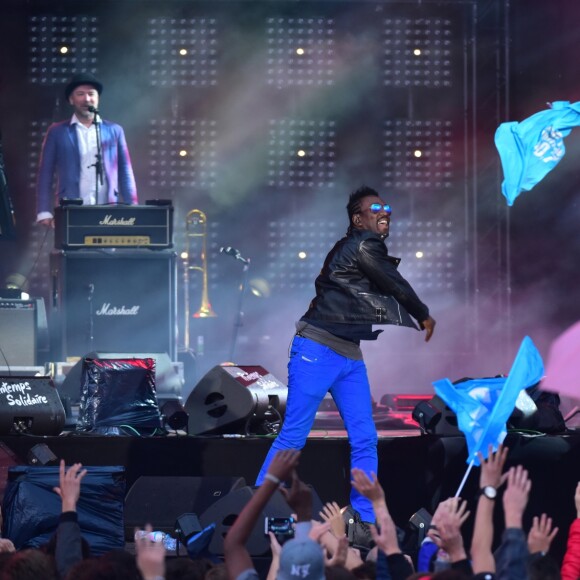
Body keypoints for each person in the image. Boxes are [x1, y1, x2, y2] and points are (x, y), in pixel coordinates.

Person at [256, 185, 436, 528]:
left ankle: (365, 519)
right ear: (358, 219)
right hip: (317, 349)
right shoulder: (363, 245)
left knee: (365, 437)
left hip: (349, 356)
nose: (385, 212)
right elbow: (393, 283)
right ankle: (256, 503)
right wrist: (422, 312)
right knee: (294, 434)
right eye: (376, 208)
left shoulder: (362, 247)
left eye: (387, 207)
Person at [36, 72, 138, 227]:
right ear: (71, 99)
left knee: (107, 249)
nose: (87, 99)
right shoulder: (57, 131)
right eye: (80, 94)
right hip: (70, 208)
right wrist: (44, 211)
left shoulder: (114, 130)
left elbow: (125, 171)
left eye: (91, 94)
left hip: (108, 210)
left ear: (98, 99)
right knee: (72, 250)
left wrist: (133, 208)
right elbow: (45, 173)